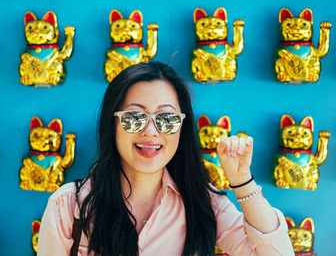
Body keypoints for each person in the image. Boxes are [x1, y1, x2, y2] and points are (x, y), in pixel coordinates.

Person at [38, 61, 294, 256]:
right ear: (112, 123)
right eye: (134, 117)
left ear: (182, 128)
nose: (150, 131)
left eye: (167, 119)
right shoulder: (68, 206)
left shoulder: (202, 202)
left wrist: (241, 180)